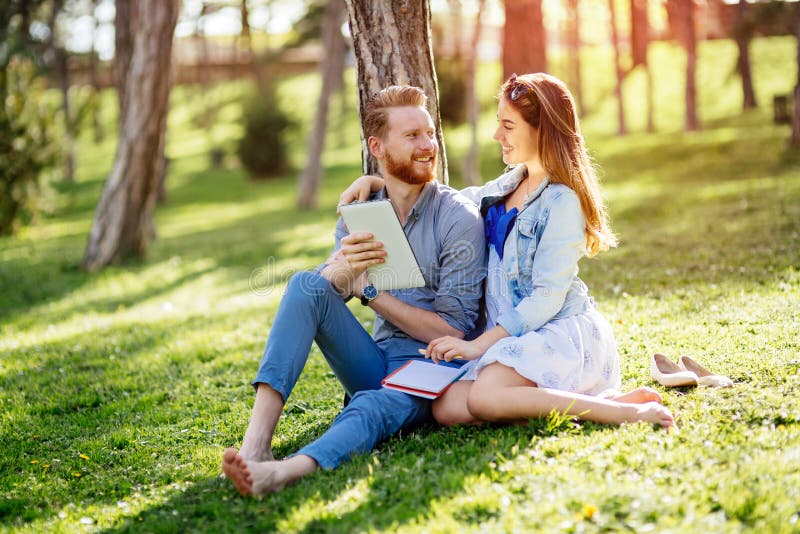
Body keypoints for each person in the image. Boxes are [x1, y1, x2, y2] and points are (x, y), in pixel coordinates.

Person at [339, 73, 675, 430]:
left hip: (556, 330)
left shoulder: (562, 201)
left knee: (484, 398)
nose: (497, 135)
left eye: (507, 126)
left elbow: (546, 298)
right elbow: (446, 201)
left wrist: (479, 345)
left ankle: (624, 413)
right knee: (447, 409)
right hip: (515, 338)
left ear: (540, 130)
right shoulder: (507, 184)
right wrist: (378, 181)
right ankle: (586, 400)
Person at [222, 85, 487, 496]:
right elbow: (324, 294)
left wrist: (371, 293)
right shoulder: (362, 209)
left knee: (371, 406)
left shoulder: (457, 219)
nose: (427, 145)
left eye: (430, 133)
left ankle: (282, 473)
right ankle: (256, 446)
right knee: (305, 284)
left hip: (436, 367)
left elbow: (450, 333)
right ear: (377, 146)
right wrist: (340, 271)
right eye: (412, 136)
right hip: (375, 360)